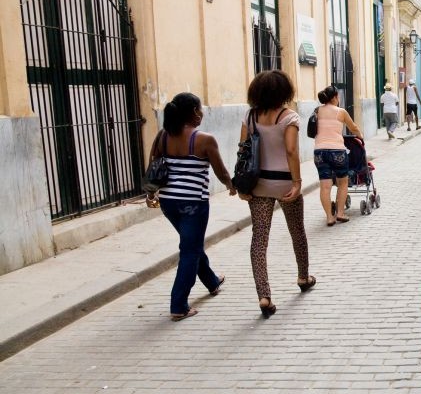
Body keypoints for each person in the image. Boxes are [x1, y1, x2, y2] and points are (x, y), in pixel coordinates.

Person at [148, 92, 235, 321]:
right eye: (200, 109)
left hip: (168, 202)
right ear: (194, 112)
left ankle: (212, 281)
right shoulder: (204, 139)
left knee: (191, 244)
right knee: (190, 250)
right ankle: (178, 305)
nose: (202, 114)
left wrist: (150, 194)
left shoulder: (162, 137)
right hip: (193, 204)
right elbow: (221, 171)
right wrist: (231, 186)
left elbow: (153, 167)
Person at [237, 69, 314, 318]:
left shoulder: (249, 117)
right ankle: (303, 276)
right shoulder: (288, 116)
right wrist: (297, 182)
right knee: (297, 231)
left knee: (259, 239)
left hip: (258, 185)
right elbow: (291, 151)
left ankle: (264, 295)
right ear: (284, 91)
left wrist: (241, 186)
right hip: (284, 184)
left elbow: (243, 151)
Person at [314, 84, 361, 226]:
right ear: (335, 97)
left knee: (325, 186)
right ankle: (340, 213)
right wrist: (360, 135)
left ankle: (329, 217)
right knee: (342, 182)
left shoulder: (317, 111)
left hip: (319, 152)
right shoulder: (341, 112)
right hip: (337, 151)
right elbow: (353, 127)